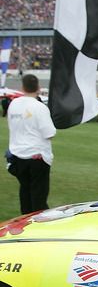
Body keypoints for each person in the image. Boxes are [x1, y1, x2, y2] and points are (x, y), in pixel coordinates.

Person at [7, 73, 56, 214]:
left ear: (22, 87)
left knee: (25, 192)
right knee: (38, 196)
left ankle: (25, 222)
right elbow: (49, 133)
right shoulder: (39, 107)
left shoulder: (14, 104)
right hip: (37, 155)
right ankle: (38, 226)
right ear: (38, 88)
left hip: (18, 154)